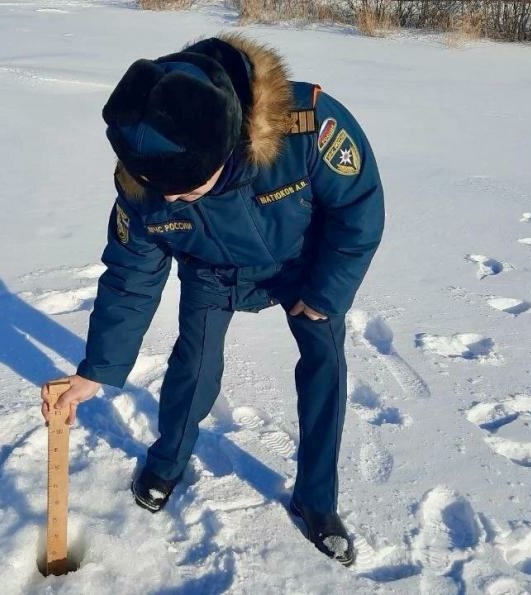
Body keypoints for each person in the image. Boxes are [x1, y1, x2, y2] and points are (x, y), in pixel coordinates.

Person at [41, 33, 384, 566]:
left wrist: (326, 292)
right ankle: (166, 463)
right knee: (194, 365)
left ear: (227, 146)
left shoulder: (306, 126)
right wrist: (97, 369)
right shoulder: (144, 184)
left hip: (303, 264)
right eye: (162, 188)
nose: (170, 198)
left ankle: (318, 501)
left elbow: (359, 208)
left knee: (324, 365)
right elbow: (131, 277)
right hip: (212, 271)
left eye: (187, 186)